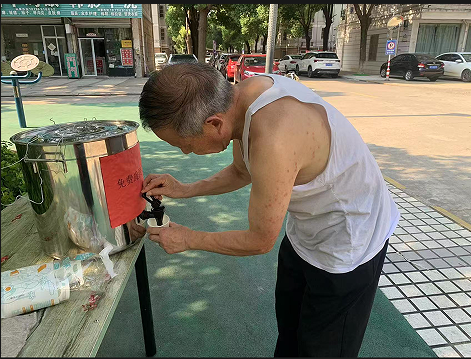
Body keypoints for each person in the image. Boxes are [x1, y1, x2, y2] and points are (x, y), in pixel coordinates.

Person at [138, 62, 400, 357]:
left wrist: (189, 239)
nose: (186, 152)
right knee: (290, 332)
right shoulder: (240, 101)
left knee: (322, 347)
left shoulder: (274, 138)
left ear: (213, 123)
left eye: (185, 144)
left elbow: (260, 240)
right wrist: (183, 189)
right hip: (307, 231)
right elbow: (241, 170)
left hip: (350, 240)